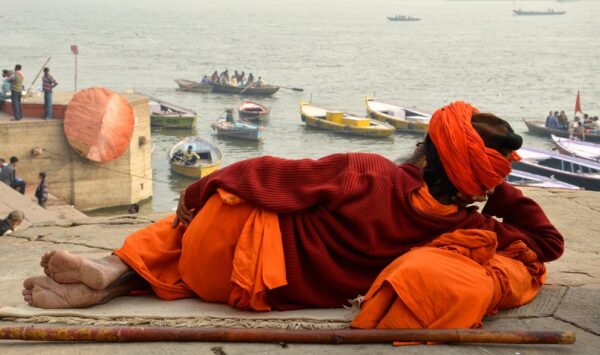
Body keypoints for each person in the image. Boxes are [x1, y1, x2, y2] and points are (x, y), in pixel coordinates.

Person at [21, 101, 564, 332]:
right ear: (476, 181)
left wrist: (200, 191)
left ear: (424, 152)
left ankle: (114, 267)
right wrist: (496, 189)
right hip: (257, 290)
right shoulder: (468, 227)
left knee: (221, 209)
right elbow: (547, 242)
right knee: (213, 246)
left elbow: (269, 171)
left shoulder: (371, 171)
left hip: (217, 251)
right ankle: (110, 283)